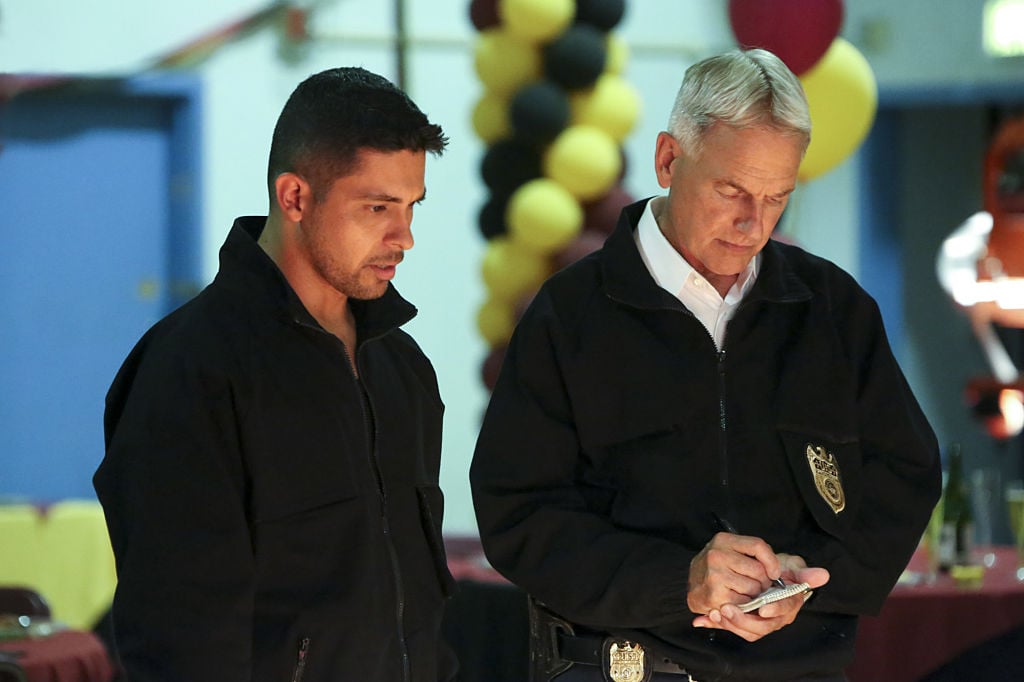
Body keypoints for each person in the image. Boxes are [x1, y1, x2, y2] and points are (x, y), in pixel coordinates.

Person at [470, 48, 941, 682]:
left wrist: (813, 579)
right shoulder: (569, 315)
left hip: (797, 669)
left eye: (778, 198)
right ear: (668, 158)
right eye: (732, 190)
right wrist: (679, 583)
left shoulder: (832, 310)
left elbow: (904, 475)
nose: (753, 223)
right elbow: (518, 515)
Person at [94, 67, 457, 682]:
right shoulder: (190, 368)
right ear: (294, 197)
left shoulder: (402, 367)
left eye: (412, 207)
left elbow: (417, 598)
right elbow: (177, 634)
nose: (406, 237)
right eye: (377, 207)